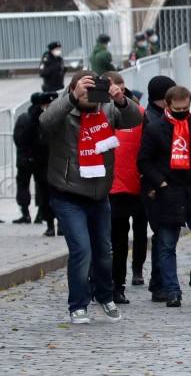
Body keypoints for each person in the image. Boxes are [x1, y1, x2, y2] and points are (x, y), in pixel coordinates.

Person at [40, 71, 144, 324]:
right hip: (67, 193)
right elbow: (45, 122)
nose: (89, 95)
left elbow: (133, 119)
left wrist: (120, 100)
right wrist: (72, 98)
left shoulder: (106, 108)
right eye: (83, 90)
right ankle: (78, 305)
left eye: (92, 89)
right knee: (82, 250)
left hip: (99, 194)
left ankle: (105, 297)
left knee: (104, 251)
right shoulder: (64, 109)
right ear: (73, 89)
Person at [137, 85, 191, 308]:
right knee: (166, 244)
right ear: (167, 106)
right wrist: (160, 182)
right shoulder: (155, 129)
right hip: (169, 192)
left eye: (186, 107)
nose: (182, 111)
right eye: (177, 108)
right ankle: (172, 290)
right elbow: (144, 160)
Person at [105, 76, 147, 305]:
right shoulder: (94, 114)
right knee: (111, 241)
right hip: (108, 187)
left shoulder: (137, 113)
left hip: (135, 186)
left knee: (133, 237)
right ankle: (108, 284)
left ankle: (126, 279)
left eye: (118, 89)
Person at [12, 92, 53, 225]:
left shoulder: (25, 117)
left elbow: (18, 139)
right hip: (39, 159)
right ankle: (41, 214)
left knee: (24, 185)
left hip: (25, 158)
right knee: (41, 186)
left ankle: (26, 213)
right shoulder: (39, 118)